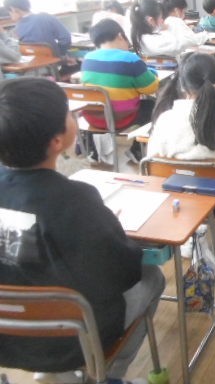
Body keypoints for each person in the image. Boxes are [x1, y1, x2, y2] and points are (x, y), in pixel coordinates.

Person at [0, 78, 164, 383]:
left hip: (8, 338)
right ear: (56, 141)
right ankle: (103, 375)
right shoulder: (75, 200)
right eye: (68, 113)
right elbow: (124, 273)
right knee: (152, 277)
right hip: (69, 342)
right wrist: (110, 228)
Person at [81, 19, 159, 163]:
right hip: (121, 118)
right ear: (120, 36)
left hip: (93, 117)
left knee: (103, 103)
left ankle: (94, 150)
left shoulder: (87, 58)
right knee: (154, 107)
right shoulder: (130, 59)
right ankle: (137, 150)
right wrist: (153, 73)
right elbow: (151, 88)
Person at [3, 0, 71, 58]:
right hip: (54, 60)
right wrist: (60, 53)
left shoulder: (18, 29)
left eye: (9, 12)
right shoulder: (45, 17)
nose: (10, 15)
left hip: (33, 63)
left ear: (13, 9)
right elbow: (66, 38)